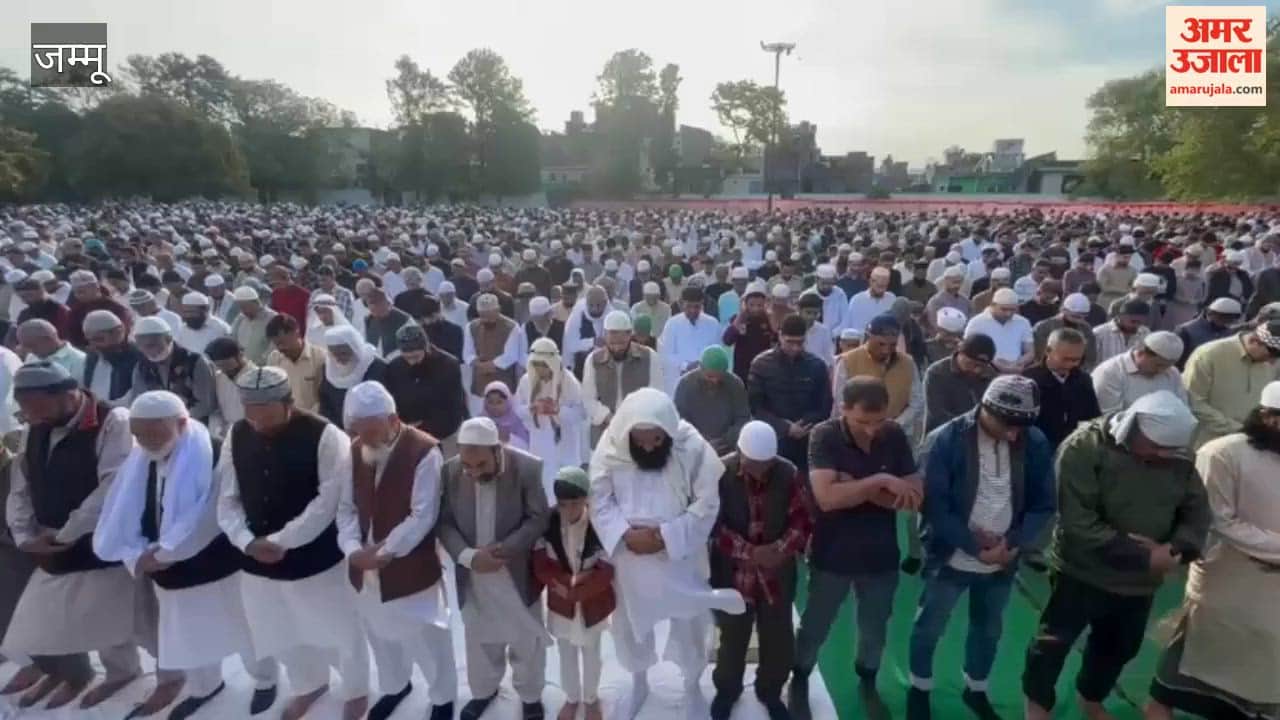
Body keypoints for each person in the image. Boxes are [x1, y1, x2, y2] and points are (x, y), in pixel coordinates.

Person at [1023, 391, 1211, 720]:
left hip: (1140, 583)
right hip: (1081, 571)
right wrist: (1142, 556)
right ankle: (1038, 705)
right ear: (1133, 430)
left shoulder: (1178, 457)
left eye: (1169, 451)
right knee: (1053, 643)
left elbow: (1196, 513)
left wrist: (1175, 549)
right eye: (1154, 448)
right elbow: (1077, 521)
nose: (1161, 456)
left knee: (1119, 648)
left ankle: (1091, 698)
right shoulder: (1086, 447)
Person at [92, 390, 278, 719]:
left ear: (181, 422)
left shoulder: (217, 452)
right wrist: (136, 555)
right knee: (187, 634)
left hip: (218, 563)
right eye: (138, 434)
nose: (146, 441)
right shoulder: (140, 460)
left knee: (246, 626)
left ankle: (265, 681)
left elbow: (210, 517)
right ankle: (204, 687)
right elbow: (121, 512)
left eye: (154, 432)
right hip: (166, 569)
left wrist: (164, 555)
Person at [216, 366, 371, 720]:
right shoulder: (237, 433)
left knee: (339, 630)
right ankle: (308, 684)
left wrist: (283, 541)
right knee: (280, 629)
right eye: (252, 415)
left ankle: (356, 689)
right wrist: (245, 540)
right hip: (255, 558)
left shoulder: (326, 435)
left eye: (268, 416)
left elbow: (328, 500)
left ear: (288, 402)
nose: (259, 424)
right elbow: (227, 497)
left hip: (315, 557)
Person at [588, 388, 746, 720]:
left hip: (680, 551)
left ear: (668, 432)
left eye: (656, 440)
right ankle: (639, 680)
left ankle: (691, 686)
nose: (647, 447)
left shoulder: (692, 446)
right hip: (627, 553)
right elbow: (599, 498)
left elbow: (707, 504)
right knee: (630, 623)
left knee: (689, 620)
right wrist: (624, 535)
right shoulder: (611, 444)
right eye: (640, 440)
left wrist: (664, 537)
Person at [907, 375, 1055, 720]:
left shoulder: (1032, 440)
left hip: (1003, 560)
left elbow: (1044, 504)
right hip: (950, 556)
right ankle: (920, 688)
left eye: (1022, 426)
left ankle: (976, 689)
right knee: (929, 625)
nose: (1014, 434)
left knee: (988, 628)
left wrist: (1013, 543)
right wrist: (974, 546)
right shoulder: (944, 440)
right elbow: (935, 507)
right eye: (1008, 424)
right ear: (986, 408)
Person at [3, 361, 142, 711]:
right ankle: (61, 672)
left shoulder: (114, 421)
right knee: (37, 620)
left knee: (111, 619)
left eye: (38, 407)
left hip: (97, 540)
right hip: (50, 543)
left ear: (69, 395)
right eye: (26, 409)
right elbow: (21, 483)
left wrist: (67, 532)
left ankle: (119, 675)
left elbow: (114, 485)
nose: (31, 416)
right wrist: (23, 534)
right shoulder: (37, 423)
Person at [1146, 381, 1280, 720]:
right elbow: (1218, 521)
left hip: (1272, 600)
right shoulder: (1222, 453)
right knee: (1175, 685)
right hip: (1224, 586)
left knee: (1262, 688)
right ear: (1268, 417)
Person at [790, 377, 922, 720]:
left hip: (880, 556)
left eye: (878, 421)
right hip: (831, 553)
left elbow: (911, 497)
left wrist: (854, 486)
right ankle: (800, 676)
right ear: (843, 409)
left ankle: (868, 679)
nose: (871, 430)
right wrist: (880, 482)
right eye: (863, 422)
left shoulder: (893, 435)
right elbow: (827, 499)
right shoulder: (825, 435)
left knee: (874, 627)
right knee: (816, 623)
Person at [337, 382, 457, 720]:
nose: (366, 439)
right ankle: (395, 686)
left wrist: (385, 551)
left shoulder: (424, 450)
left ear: (393, 419)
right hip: (363, 563)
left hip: (408, 564)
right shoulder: (355, 449)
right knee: (378, 633)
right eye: (359, 431)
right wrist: (352, 549)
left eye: (372, 431)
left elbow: (423, 514)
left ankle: (443, 696)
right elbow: (345, 508)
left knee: (427, 636)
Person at [436, 417, 550, 720]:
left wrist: (505, 550)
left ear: (497, 450)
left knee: (527, 640)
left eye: (481, 465)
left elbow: (538, 517)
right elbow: (444, 522)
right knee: (479, 637)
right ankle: (483, 692)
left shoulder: (527, 468)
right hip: (473, 573)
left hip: (516, 571)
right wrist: (469, 557)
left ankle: (530, 696)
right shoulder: (450, 470)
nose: (473, 473)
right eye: (468, 466)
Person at [710, 421, 812, 720]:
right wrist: (750, 552)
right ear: (740, 454)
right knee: (732, 637)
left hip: (776, 574)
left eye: (765, 465)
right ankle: (727, 691)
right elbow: (712, 524)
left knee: (778, 637)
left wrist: (778, 550)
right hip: (733, 572)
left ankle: (769, 691)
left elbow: (802, 520)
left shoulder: (788, 473)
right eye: (753, 465)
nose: (759, 471)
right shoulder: (720, 473)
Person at [532, 466, 616, 720]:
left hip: (592, 603)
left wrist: (581, 589)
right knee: (566, 653)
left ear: (586, 500)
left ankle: (591, 699)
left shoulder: (600, 525)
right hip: (561, 603)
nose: (569, 510)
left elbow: (607, 570)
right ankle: (571, 698)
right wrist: (564, 583)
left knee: (591, 654)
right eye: (563, 504)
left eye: (575, 503)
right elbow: (539, 563)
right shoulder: (547, 524)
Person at [748, 314, 834, 476]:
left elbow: (825, 405)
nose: (795, 348)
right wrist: (786, 427)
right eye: (790, 342)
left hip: (809, 438)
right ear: (780, 336)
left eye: (800, 343)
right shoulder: (761, 364)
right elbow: (756, 408)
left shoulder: (816, 365)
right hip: (774, 439)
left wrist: (804, 425)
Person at [1183, 320, 1280, 450]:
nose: (1273, 361)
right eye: (1272, 354)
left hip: (1249, 445)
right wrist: (1237, 429)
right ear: (1254, 340)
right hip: (1205, 443)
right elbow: (1193, 402)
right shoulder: (1210, 354)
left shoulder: (1273, 362)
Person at [516, 338, 585, 503]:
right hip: (539, 442)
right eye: (537, 365)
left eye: (544, 365)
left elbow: (580, 413)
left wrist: (557, 410)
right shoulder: (526, 381)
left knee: (566, 488)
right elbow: (518, 409)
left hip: (565, 443)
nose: (540, 369)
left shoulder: (569, 382)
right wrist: (532, 409)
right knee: (544, 487)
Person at [581, 311, 663, 447]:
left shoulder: (649, 357)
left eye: (621, 343)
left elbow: (657, 395)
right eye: (612, 343)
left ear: (630, 335)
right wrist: (609, 418)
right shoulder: (593, 360)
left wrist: (634, 420)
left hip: (639, 431)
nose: (617, 348)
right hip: (605, 432)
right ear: (605, 336)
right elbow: (588, 399)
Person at [833, 313, 923, 437]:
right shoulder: (848, 361)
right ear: (867, 338)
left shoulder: (908, 363)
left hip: (896, 435)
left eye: (892, 345)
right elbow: (840, 401)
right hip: (857, 435)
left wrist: (896, 424)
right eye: (881, 344)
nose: (886, 350)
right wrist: (867, 424)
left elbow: (917, 402)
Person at [382, 323, 468, 453]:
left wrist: (420, 428)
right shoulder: (395, 367)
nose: (411, 362)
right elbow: (393, 402)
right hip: (407, 436)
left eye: (416, 357)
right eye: (407, 358)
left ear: (425, 348)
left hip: (443, 436)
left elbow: (452, 409)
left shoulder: (448, 366)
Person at [1024, 328, 1102, 450]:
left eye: (1076, 360)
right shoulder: (1029, 380)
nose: (1071, 364)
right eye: (1065, 359)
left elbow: (1093, 416)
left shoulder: (1083, 380)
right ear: (1048, 351)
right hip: (1040, 447)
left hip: (1076, 447)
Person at [132, 316, 218, 425]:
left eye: (151, 345)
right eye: (141, 347)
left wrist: (173, 423)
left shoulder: (195, 362)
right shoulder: (142, 367)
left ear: (168, 339)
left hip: (193, 426)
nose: (147, 351)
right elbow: (140, 400)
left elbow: (205, 405)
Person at [674, 345, 752, 455]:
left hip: (728, 449)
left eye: (719, 377)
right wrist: (700, 441)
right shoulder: (685, 385)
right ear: (701, 368)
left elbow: (743, 417)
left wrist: (726, 439)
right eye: (710, 376)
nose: (715, 381)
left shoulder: (735, 384)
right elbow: (679, 420)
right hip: (694, 449)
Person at [1091, 331, 1187, 414]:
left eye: (1167, 366)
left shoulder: (1172, 373)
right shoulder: (1110, 372)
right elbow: (1109, 418)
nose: (1161, 371)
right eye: (1158, 365)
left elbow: (1182, 408)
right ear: (1141, 352)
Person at [463, 293, 525, 416]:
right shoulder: (471, 326)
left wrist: (489, 366)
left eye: (489, 315)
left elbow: (511, 355)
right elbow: (467, 353)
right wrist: (477, 364)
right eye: (482, 315)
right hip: (480, 382)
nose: (485, 319)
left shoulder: (512, 327)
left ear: (498, 310)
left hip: (504, 379)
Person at [924, 334, 997, 434]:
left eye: (982, 366)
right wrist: (971, 427)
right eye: (971, 364)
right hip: (944, 435)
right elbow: (938, 414)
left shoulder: (989, 374)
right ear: (960, 353)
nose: (977, 370)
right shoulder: (937, 373)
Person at [319, 325, 387, 428]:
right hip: (339, 430)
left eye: (343, 353)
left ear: (355, 347)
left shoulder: (376, 367)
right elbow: (325, 401)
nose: (338, 359)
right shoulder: (328, 368)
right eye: (334, 354)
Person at [658, 286, 722, 391]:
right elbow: (666, 354)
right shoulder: (672, 324)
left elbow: (717, 351)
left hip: (707, 380)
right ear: (681, 304)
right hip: (679, 380)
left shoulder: (713, 323)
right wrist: (686, 366)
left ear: (702, 304)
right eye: (689, 306)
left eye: (697, 307)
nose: (692, 310)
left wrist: (703, 366)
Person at [264, 313, 326, 414]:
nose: (280, 348)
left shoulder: (320, 358)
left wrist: (306, 416)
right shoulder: (274, 359)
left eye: (282, 342)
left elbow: (324, 399)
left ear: (296, 332)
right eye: (276, 344)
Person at [82, 309, 143, 407]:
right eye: (89, 341)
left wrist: (103, 407)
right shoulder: (92, 358)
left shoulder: (140, 358)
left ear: (119, 332)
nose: (93, 346)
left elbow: (136, 399)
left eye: (99, 339)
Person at [964, 288, 1034, 373]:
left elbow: (1030, 352)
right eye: (1004, 309)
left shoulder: (1023, 322)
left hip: (1016, 370)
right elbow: (969, 351)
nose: (1008, 313)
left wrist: (1017, 363)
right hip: (986, 371)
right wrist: (998, 365)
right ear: (993, 305)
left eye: (1012, 310)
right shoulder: (976, 322)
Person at [722, 280, 775, 383]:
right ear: (745, 304)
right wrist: (740, 316)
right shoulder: (737, 319)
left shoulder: (768, 320)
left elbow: (777, 339)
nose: (756, 309)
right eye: (752, 305)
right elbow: (727, 340)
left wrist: (770, 317)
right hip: (742, 373)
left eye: (759, 305)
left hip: (764, 372)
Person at [1032, 292, 1099, 370]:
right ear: (1064, 310)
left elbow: (1090, 359)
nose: (1078, 320)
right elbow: (1039, 355)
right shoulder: (1044, 327)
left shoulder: (1086, 329)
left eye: (1082, 317)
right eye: (1075, 316)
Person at [1174, 297, 1241, 369]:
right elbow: (1175, 362)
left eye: (1230, 319)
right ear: (1210, 313)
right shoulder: (1186, 331)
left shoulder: (1228, 333)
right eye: (1223, 317)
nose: (1226, 321)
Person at [17, 318, 85, 382]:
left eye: (31, 345)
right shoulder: (31, 358)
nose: (29, 350)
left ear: (48, 339)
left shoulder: (80, 361)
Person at [229, 286, 278, 366]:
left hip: (264, 367)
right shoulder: (240, 318)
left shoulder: (272, 318)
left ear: (256, 303)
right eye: (241, 307)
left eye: (245, 307)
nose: (243, 311)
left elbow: (274, 348)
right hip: (242, 367)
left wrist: (258, 364)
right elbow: (232, 339)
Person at [1093, 299, 1152, 364]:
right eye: (1133, 321)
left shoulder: (1145, 332)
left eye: (1140, 322)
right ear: (1120, 316)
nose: (1136, 325)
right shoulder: (1099, 333)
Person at [174, 292, 231, 356]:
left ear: (206, 310)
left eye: (192, 312)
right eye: (186, 312)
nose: (188, 316)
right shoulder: (183, 328)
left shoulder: (221, 328)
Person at [363, 287, 413, 359]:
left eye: (379, 307)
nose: (375, 311)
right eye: (371, 308)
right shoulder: (369, 320)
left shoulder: (404, 320)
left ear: (388, 304)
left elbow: (413, 345)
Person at [482, 381, 530, 451]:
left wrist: (508, 438)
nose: (494, 406)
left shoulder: (515, 421)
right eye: (490, 402)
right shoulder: (481, 421)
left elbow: (525, 446)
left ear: (508, 402)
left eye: (499, 402)